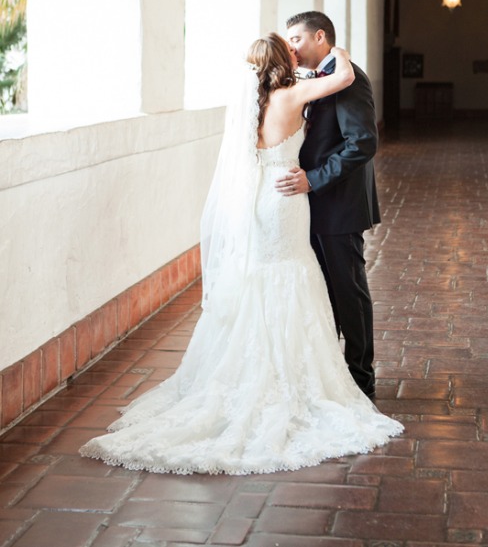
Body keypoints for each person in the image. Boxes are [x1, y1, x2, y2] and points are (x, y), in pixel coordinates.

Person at [79, 33, 402, 475]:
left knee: (263, 278)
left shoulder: (258, 102)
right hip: (286, 199)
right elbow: (342, 75)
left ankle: (253, 374)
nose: (295, 48)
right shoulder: (293, 94)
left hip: (259, 199)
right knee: (293, 275)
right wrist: (338, 51)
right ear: (280, 62)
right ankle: (294, 380)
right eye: (288, 46)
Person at [277, 12, 379, 400]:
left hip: (339, 205)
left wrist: (312, 179)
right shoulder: (322, 74)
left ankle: (361, 380)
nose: (292, 47)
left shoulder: (348, 76)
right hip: (316, 206)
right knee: (326, 292)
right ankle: (333, 374)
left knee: (349, 292)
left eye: (297, 39)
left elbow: (362, 143)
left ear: (320, 36)